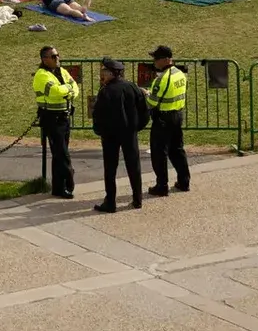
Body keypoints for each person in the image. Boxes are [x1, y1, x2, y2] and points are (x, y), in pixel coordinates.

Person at [91, 56, 150, 213]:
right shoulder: (132, 87)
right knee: (134, 166)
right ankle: (137, 199)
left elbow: (98, 115)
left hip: (110, 136)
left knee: (110, 168)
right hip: (129, 133)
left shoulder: (105, 91)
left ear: (111, 73)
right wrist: (136, 127)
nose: (102, 74)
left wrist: (99, 131)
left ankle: (110, 202)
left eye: (104, 71)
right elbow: (144, 111)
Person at [32, 44, 79, 199]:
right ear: (45, 59)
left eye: (57, 55)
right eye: (53, 56)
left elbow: (75, 87)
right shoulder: (41, 75)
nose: (57, 58)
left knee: (60, 154)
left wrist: (68, 90)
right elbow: (55, 91)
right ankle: (69, 179)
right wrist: (68, 90)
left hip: (64, 117)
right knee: (61, 153)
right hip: (51, 118)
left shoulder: (61, 71)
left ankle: (58, 188)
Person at [145, 44, 191, 195]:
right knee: (177, 149)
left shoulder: (162, 79)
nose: (154, 62)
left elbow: (152, 103)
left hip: (163, 118)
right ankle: (184, 181)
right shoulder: (180, 74)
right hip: (178, 114)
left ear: (165, 60)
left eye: (156, 59)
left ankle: (162, 186)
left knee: (159, 153)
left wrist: (146, 94)